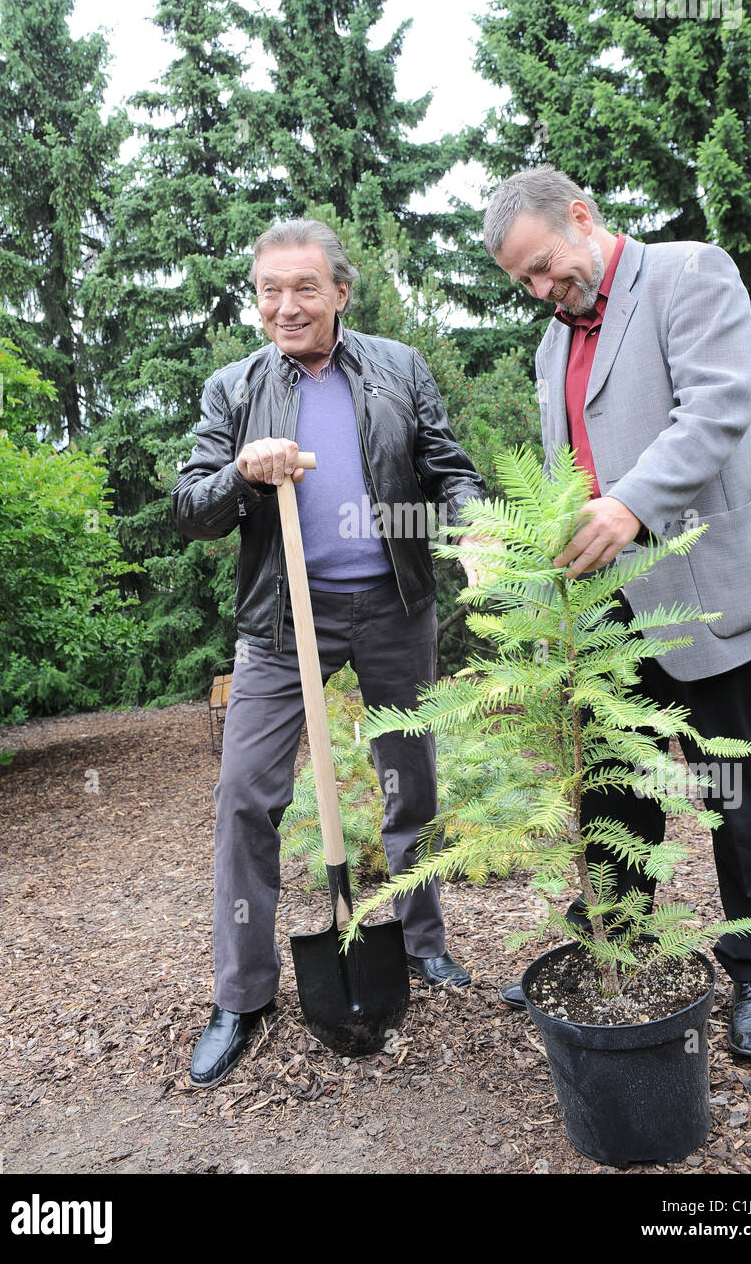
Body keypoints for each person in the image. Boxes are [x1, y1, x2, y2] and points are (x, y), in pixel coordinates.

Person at [483, 165, 751, 1058]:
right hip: (603, 615)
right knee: (613, 793)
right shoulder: (551, 347)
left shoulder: (689, 273)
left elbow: (714, 414)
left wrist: (628, 505)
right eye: (524, 284)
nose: (542, 291)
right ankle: (614, 948)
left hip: (702, 597)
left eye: (544, 266)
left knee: (729, 790)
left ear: (580, 217)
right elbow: (565, 478)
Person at [172, 218, 487, 1088]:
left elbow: (446, 466)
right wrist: (242, 471)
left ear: (341, 292)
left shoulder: (397, 369)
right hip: (281, 622)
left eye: (304, 287)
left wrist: (470, 527)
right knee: (245, 797)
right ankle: (240, 994)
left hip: (392, 606)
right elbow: (191, 508)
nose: (285, 305)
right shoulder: (234, 387)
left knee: (407, 781)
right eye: (270, 289)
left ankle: (421, 944)